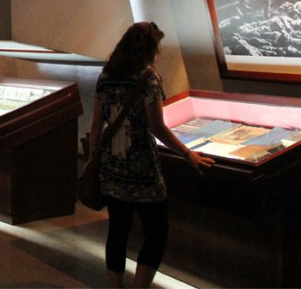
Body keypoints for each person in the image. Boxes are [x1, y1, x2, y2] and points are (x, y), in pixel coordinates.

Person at [89, 22, 214, 288]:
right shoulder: (148, 78)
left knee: (118, 230)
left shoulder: (106, 76)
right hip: (142, 168)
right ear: (149, 48)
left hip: (111, 166)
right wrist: (187, 154)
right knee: (156, 232)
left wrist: (93, 160)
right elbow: (157, 127)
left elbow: (97, 124)